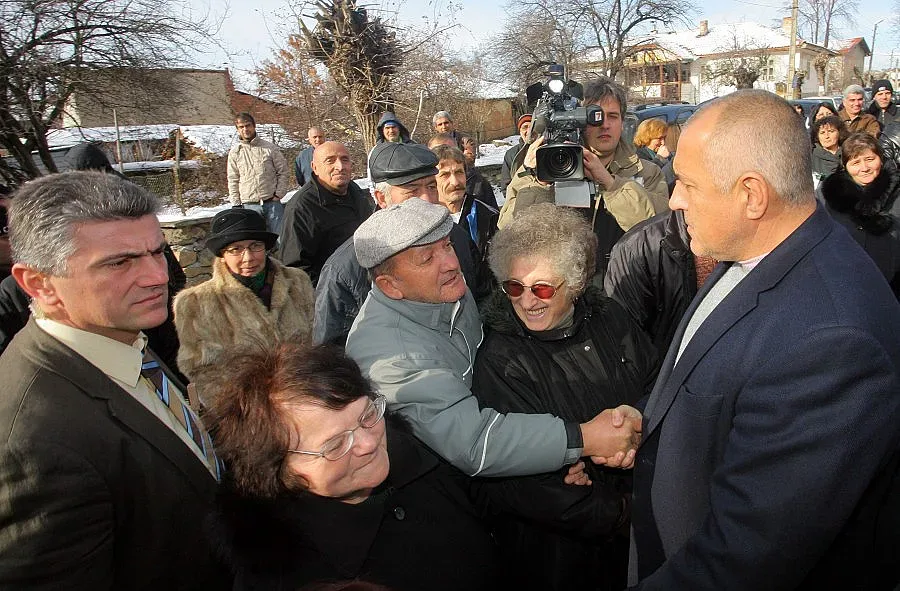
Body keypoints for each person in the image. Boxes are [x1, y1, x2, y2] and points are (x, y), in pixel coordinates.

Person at [629, 89, 900, 590]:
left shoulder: (831, 342)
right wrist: (642, 418)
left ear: (751, 195)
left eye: (688, 183)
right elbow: (713, 375)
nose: (675, 200)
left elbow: (746, 558)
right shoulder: (756, 251)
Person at [0, 171, 228, 589]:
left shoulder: (119, 335)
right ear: (40, 284)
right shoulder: (33, 443)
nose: (158, 276)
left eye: (156, 252)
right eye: (119, 262)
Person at [346, 198, 643, 480]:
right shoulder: (390, 358)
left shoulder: (440, 289)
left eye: (447, 245)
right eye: (427, 259)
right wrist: (582, 439)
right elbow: (475, 442)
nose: (451, 263)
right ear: (390, 285)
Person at [203, 341, 501, 591]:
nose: (369, 443)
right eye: (335, 445)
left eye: (367, 415)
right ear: (279, 471)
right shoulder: (282, 576)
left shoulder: (421, 455)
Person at [472, 204, 658, 591]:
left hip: (637, 536)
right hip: (559, 556)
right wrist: (622, 512)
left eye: (541, 288)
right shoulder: (501, 360)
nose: (527, 301)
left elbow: (656, 384)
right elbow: (521, 482)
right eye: (514, 287)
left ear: (574, 284)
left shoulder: (610, 318)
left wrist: (636, 424)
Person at [312, 142, 479, 346]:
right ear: (382, 198)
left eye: (431, 187)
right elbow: (331, 355)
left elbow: (482, 298)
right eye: (412, 191)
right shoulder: (344, 270)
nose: (427, 200)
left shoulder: (456, 236)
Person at [501, 76, 668, 233]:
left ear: (622, 123)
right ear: (579, 121)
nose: (604, 125)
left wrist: (611, 184)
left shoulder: (647, 173)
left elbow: (659, 229)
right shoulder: (545, 168)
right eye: (594, 116)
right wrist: (538, 180)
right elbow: (509, 230)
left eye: (612, 116)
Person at [173, 208, 315, 382]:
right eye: (235, 249)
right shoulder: (196, 302)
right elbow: (202, 372)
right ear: (222, 254)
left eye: (255, 246)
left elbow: (316, 343)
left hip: (303, 391)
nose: (248, 257)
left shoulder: (297, 282)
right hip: (242, 398)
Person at [604, 210, 717, 365]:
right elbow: (625, 345)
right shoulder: (636, 248)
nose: (674, 201)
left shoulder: (749, 240)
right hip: (670, 373)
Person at [278, 140, 373, 285]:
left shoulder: (355, 191)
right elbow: (295, 269)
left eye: (344, 159)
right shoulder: (301, 209)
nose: (340, 166)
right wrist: (330, 292)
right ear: (314, 168)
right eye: (330, 161)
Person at [819, 132, 900, 295]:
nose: (864, 168)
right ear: (845, 166)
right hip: (841, 286)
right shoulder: (826, 196)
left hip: (891, 289)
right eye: (855, 162)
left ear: (881, 159)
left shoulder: (897, 193)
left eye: (870, 159)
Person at [431, 144, 498, 299]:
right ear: (432, 182)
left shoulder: (486, 216)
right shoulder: (425, 223)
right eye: (445, 175)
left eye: (459, 172)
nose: (455, 182)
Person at [227, 112, 290, 235]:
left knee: (280, 239)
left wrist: (279, 194)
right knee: (256, 240)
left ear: (254, 126)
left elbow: (283, 171)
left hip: (272, 203)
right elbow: (233, 178)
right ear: (237, 129)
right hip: (249, 206)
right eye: (241, 127)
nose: (245, 129)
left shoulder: (270, 148)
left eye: (248, 125)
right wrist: (236, 203)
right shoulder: (235, 153)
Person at [633, 118, 675, 194]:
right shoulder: (637, 155)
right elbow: (644, 177)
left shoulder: (667, 153)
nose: (663, 142)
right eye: (659, 138)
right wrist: (660, 159)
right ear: (647, 137)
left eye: (664, 137)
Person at [810, 114, 847, 185]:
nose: (826, 136)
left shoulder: (848, 152)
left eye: (831, 131)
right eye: (822, 133)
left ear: (839, 133)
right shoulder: (811, 155)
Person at [501, 114, 532, 192]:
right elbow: (506, 186)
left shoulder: (546, 150)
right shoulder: (511, 154)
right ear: (520, 131)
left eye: (532, 127)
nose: (529, 131)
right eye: (525, 127)